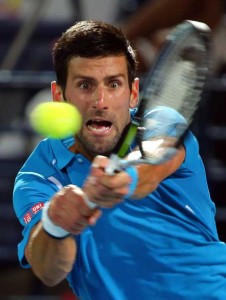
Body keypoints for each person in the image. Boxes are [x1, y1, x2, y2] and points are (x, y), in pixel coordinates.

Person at [13, 20, 226, 300]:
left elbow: (154, 162)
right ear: (59, 96)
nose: (100, 101)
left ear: (133, 93)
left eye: (113, 84)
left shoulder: (163, 122)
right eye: (85, 85)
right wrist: (56, 224)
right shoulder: (39, 176)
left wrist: (124, 180)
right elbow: (50, 272)